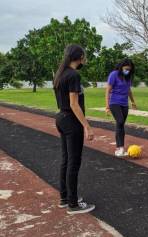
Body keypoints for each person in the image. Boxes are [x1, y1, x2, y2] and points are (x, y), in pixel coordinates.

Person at [53, 44, 95, 214]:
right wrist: (87, 126)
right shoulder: (73, 75)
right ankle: (73, 204)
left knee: (66, 160)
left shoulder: (60, 74)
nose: (85, 59)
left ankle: (65, 198)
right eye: (84, 56)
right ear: (79, 57)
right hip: (71, 121)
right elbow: (73, 104)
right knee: (73, 163)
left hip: (61, 119)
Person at [105, 59, 137, 157]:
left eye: (129, 70)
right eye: (126, 69)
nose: (127, 71)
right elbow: (107, 91)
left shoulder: (128, 77)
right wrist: (107, 106)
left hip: (124, 104)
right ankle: (120, 148)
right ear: (121, 67)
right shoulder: (113, 74)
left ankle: (120, 148)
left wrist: (132, 101)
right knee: (119, 121)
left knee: (121, 124)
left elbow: (128, 90)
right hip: (114, 102)